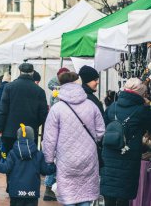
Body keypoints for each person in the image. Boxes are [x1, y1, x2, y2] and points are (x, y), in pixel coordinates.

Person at [42, 72, 105, 206]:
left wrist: (48, 159)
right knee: (85, 194)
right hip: (88, 157)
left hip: (66, 159)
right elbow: (101, 131)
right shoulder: (91, 105)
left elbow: (49, 138)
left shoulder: (57, 109)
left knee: (68, 194)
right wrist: (91, 143)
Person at [100, 78, 151, 206]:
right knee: (124, 196)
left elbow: (101, 128)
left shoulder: (112, 107)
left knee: (109, 194)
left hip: (109, 155)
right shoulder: (142, 111)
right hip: (128, 156)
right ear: (141, 93)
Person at [0, 125, 56, 206]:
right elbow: (45, 170)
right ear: (33, 137)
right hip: (32, 193)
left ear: (18, 137)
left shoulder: (13, 153)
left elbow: (6, 168)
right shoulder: (38, 154)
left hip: (16, 193)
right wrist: (56, 166)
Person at [0, 63, 48, 150]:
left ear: (20, 72)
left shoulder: (9, 87)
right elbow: (43, 114)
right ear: (32, 73)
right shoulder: (39, 91)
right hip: (30, 132)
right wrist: (34, 124)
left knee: (10, 160)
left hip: (10, 132)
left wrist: (0, 128)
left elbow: (3, 110)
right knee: (28, 160)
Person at [44, 67, 69, 201]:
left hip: (56, 129)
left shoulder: (55, 92)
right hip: (59, 129)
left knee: (54, 159)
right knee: (55, 159)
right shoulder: (56, 92)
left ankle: (51, 188)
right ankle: (50, 187)